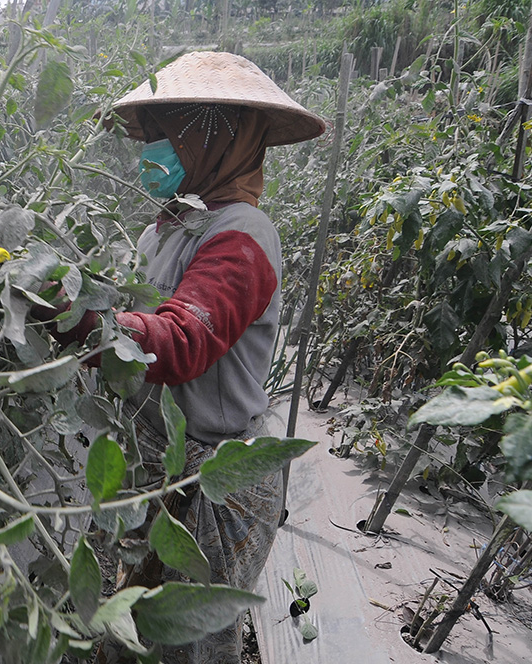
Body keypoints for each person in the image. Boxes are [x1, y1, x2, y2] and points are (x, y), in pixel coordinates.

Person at [49, 51, 325, 663]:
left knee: (191, 646)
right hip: (157, 465)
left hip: (214, 481)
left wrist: (77, 319)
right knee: (129, 631)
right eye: (149, 135)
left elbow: (180, 344)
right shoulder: (163, 230)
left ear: (214, 138)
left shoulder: (243, 234)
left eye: (166, 134)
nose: (151, 150)